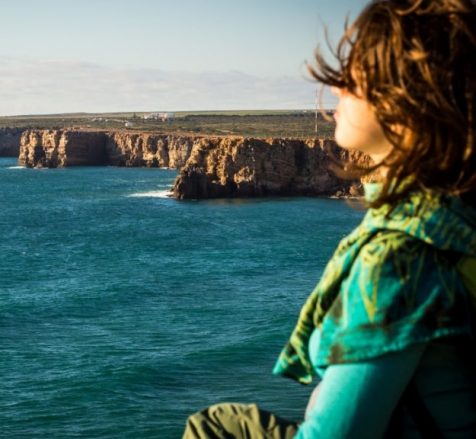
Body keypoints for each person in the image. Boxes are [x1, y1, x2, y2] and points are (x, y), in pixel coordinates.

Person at [182, 0, 476, 437]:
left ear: (407, 97)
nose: (337, 87)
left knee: (217, 426)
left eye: (355, 72)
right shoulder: (459, 219)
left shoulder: (400, 259)